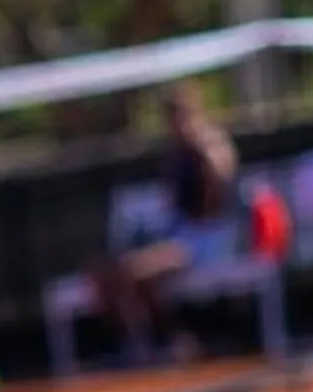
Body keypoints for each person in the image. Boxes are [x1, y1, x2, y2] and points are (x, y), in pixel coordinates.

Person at [95, 82, 241, 361]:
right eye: (172, 115)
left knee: (136, 271)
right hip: (182, 238)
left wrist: (203, 150)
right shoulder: (174, 155)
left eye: (183, 113)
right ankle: (166, 339)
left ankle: (180, 338)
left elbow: (219, 192)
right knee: (111, 272)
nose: (177, 121)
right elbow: (173, 205)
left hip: (210, 239)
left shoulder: (211, 146)